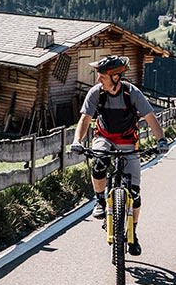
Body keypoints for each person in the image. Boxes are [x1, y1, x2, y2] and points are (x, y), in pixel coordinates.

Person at [70, 55, 169, 256]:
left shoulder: (132, 93)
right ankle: (99, 200)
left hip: (128, 142)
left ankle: (133, 234)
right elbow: (85, 119)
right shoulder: (96, 93)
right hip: (104, 138)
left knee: (135, 194)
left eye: (103, 77)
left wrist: (161, 141)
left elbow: (151, 119)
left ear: (115, 78)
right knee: (98, 163)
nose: (98, 80)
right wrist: (77, 141)